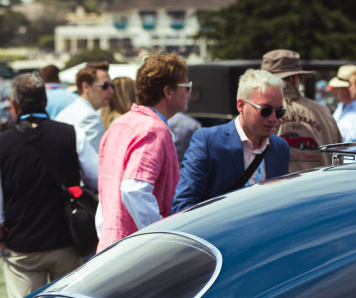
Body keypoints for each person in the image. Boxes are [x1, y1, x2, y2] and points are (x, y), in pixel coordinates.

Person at [0, 73, 82, 298]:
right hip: (66, 240)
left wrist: (1, 240)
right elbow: (96, 178)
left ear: (14, 105)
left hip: (22, 245)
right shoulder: (71, 134)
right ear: (44, 102)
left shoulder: (0, 144)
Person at [96, 53, 188, 251]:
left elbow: (106, 194)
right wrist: (161, 238)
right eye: (186, 87)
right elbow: (134, 188)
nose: (188, 92)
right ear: (168, 92)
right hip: (135, 252)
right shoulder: (153, 129)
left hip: (110, 246)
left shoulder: (119, 125)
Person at [173, 69, 291, 212]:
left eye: (279, 112)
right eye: (265, 110)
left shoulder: (279, 148)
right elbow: (183, 206)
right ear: (241, 105)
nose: (273, 119)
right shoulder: (208, 142)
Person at [261, 48, 340, 173]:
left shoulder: (262, 111)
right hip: (324, 187)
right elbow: (339, 157)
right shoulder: (324, 111)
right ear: (294, 79)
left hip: (280, 190)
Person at [56, 62, 113, 155]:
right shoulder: (90, 118)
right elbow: (96, 162)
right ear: (86, 87)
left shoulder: (66, 112)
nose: (111, 91)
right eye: (104, 85)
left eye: (112, 86)